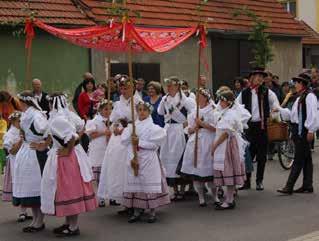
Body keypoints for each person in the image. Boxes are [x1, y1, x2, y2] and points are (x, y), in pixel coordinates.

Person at [41, 116, 97, 237]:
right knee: (64, 192)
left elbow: (72, 136)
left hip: (67, 161)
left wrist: (67, 150)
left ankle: (74, 226)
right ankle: (68, 223)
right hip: (63, 159)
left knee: (70, 191)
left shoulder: (59, 119)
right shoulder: (57, 119)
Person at [98, 75, 142, 208]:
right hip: (118, 136)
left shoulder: (137, 102)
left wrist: (126, 129)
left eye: (126, 88)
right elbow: (113, 119)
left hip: (131, 134)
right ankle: (123, 201)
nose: (123, 91)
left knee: (129, 166)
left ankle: (134, 201)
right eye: (121, 89)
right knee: (117, 166)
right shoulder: (118, 103)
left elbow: (139, 120)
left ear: (132, 87)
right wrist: (115, 127)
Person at [122, 102, 170, 223]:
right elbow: (124, 141)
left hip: (148, 158)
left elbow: (155, 145)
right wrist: (130, 137)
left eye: (144, 110)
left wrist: (139, 142)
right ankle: (137, 211)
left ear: (149, 112)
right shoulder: (132, 126)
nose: (141, 112)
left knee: (148, 183)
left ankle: (152, 212)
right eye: (139, 110)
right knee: (136, 182)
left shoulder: (154, 128)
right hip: (134, 157)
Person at [237, 67, 280, 191]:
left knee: (262, 156)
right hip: (249, 128)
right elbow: (236, 106)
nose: (260, 78)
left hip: (262, 127)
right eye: (258, 76)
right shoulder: (244, 93)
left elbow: (275, 103)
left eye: (262, 76)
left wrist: (275, 109)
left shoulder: (267, 92)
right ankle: (247, 181)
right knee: (248, 155)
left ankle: (259, 181)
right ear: (252, 78)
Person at [12, 91, 48, 233]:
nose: (18, 104)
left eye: (20, 101)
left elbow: (46, 129)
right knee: (28, 187)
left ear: (24, 102)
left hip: (35, 154)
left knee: (36, 187)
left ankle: (39, 221)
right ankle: (35, 219)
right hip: (26, 152)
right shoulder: (27, 113)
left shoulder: (36, 114)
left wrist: (42, 142)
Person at [277, 73, 318, 194]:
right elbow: (292, 115)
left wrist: (311, 130)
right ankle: (307, 185)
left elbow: (313, 115)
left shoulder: (309, 96)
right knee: (306, 159)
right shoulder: (300, 97)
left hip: (303, 131)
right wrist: (279, 109)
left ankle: (289, 186)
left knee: (298, 159)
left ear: (303, 84)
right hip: (298, 130)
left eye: (297, 83)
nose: (295, 85)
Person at [158, 76, 195, 200]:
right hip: (168, 130)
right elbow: (160, 112)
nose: (168, 88)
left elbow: (194, 113)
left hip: (180, 130)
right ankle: (174, 190)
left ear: (177, 86)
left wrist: (188, 123)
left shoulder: (186, 100)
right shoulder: (164, 99)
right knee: (167, 156)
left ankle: (183, 189)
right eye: (167, 85)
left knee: (179, 156)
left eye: (170, 85)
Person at [180, 88, 218, 207]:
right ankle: (201, 197)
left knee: (211, 172)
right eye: (196, 96)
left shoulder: (213, 110)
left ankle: (215, 196)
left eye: (200, 96)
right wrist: (193, 128)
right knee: (196, 170)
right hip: (195, 142)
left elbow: (216, 128)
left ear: (206, 97)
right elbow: (188, 129)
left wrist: (202, 124)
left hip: (208, 140)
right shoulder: (193, 112)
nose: (197, 98)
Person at [212, 90, 247, 210]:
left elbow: (226, 133)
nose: (220, 102)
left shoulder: (231, 114)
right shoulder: (223, 112)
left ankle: (229, 199)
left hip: (227, 145)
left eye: (222, 100)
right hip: (223, 144)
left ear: (229, 102)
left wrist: (215, 145)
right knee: (226, 171)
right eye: (220, 100)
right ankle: (228, 198)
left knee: (229, 171)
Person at [2, 111, 32, 222]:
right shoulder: (10, 134)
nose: (21, 122)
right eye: (19, 121)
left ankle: (26, 210)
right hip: (16, 163)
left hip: (26, 161)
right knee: (20, 186)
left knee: (27, 185)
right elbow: (12, 151)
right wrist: (20, 141)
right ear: (14, 122)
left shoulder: (24, 131)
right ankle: (22, 212)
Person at [85, 99, 112, 207]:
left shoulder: (113, 120)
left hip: (110, 147)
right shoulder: (94, 121)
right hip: (98, 148)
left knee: (110, 174)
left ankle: (111, 196)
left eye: (110, 109)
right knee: (100, 176)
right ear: (100, 110)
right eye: (106, 109)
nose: (108, 111)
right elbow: (91, 135)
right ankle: (100, 197)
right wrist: (103, 132)